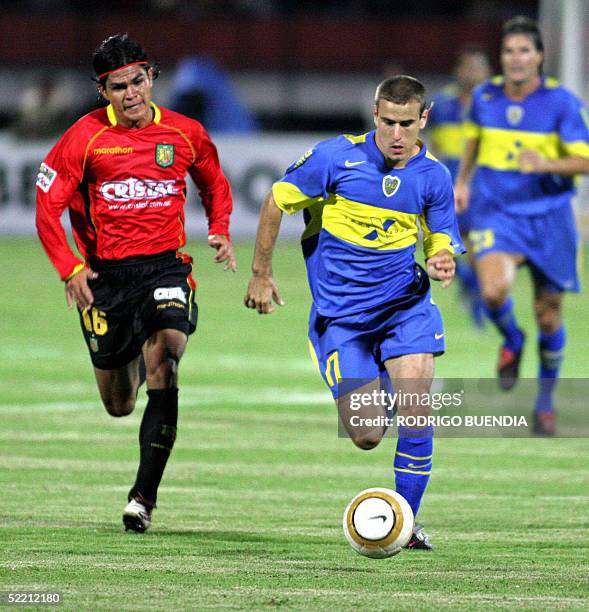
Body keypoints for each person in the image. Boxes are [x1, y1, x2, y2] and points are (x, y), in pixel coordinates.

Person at [244, 75, 464, 550]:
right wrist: (261, 273)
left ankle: (405, 525)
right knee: (365, 434)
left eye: (408, 123)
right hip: (342, 319)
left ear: (424, 118)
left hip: (405, 309)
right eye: (389, 122)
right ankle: (379, 382)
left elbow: (441, 232)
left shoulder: (434, 176)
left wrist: (441, 254)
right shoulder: (334, 158)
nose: (398, 134)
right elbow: (275, 201)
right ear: (375, 114)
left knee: (416, 408)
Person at [35, 33, 236, 532]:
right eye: (117, 86)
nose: (130, 93)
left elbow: (213, 180)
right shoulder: (83, 139)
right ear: (102, 90)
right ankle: (137, 357)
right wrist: (70, 266)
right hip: (105, 277)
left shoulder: (185, 133)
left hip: (166, 267)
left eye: (138, 81)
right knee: (119, 403)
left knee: (166, 356)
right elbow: (47, 208)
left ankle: (142, 498)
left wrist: (219, 228)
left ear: (153, 78)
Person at [454, 16, 589, 435]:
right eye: (509, 51)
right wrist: (462, 181)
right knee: (493, 290)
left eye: (524, 51)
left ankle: (545, 403)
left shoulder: (562, 103)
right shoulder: (485, 96)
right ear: (502, 57)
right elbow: (473, 140)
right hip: (497, 211)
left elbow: (584, 160)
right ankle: (512, 339)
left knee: (548, 317)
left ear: (539, 56)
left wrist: (546, 163)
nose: (516, 58)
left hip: (549, 217)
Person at [427, 46, 491, 328]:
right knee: (439, 240)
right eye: (467, 66)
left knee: (477, 246)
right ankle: (468, 284)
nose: (472, 73)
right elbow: (436, 143)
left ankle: (478, 302)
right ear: (457, 71)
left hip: (482, 185)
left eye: (477, 67)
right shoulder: (442, 103)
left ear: (487, 72)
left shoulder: (494, 103)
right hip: (448, 182)